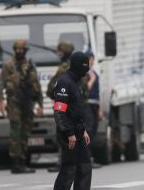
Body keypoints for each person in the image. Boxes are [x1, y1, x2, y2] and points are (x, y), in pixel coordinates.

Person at [0, 39, 43, 174]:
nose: (19, 51)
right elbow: (0, 85)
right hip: (14, 104)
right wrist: (1, 101)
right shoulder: (9, 66)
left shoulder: (30, 66)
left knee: (25, 133)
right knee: (16, 134)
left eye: (21, 49)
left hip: (28, 104)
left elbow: (37, 86)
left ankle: (22, 161)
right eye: (17, 49)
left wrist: (40, 104)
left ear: (25, 50)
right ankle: (16, 163)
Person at [53, 52, 92, 190]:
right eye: (84, 67)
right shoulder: (65, 83)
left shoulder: (75, 82)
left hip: (78, 132)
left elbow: (76, 110)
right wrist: (69, 133)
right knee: (69, 169)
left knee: (85, 167)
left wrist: (84, 130)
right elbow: (59, 111)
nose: (86, 70)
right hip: (69, 134)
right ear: (77, 66)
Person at [47, 41, 75, 173]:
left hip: (63, 107)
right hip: (76, 108)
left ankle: (62, 162)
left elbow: (51, 88)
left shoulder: (63, 68)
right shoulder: (77, 66)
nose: (58, 53)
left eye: (59, 51)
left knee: (62, 135)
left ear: (64, 51)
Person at [82, 49, 103, 169]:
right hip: (87, 105)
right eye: (90, 58)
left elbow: (98, 93)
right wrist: (92, 79)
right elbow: (85, 90)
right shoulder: (85, 73)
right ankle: (87, 158)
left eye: (93, 58)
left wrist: (100, 109)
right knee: (88, 130)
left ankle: (90, 158)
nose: (92, 61)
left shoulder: (93, 72)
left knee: (93, 131)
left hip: (95, 104)